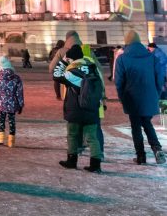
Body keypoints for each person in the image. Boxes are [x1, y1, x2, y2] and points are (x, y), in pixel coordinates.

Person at [53, 31, 103, 172]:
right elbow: (101, 84)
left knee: (73, 135)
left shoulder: (72, 71)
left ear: (71, 58)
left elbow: (56, 76)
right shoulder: (92, 68)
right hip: (92, 108)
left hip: (75, 108)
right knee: (92, 137)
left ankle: (72, 160)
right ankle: (96, 164)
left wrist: (63, 60)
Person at [115, 31, 166, 165]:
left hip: (131, 98)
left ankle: (141, 156)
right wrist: (156, 93)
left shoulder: (122, 59)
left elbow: (119, 82)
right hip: (149, 96)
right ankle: (157, 149)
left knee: (136, 127)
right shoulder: (152, 57)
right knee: (147, 123)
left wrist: (122, 98)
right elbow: (160, 78)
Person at [0, 56, 24, 147]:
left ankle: (1, 138)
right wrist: (21, 104)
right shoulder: (16, 77)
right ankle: (11, 141)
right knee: (12, 121)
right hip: (13, 102)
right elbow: (19, 92)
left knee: (1, 120)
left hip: (1, 102)